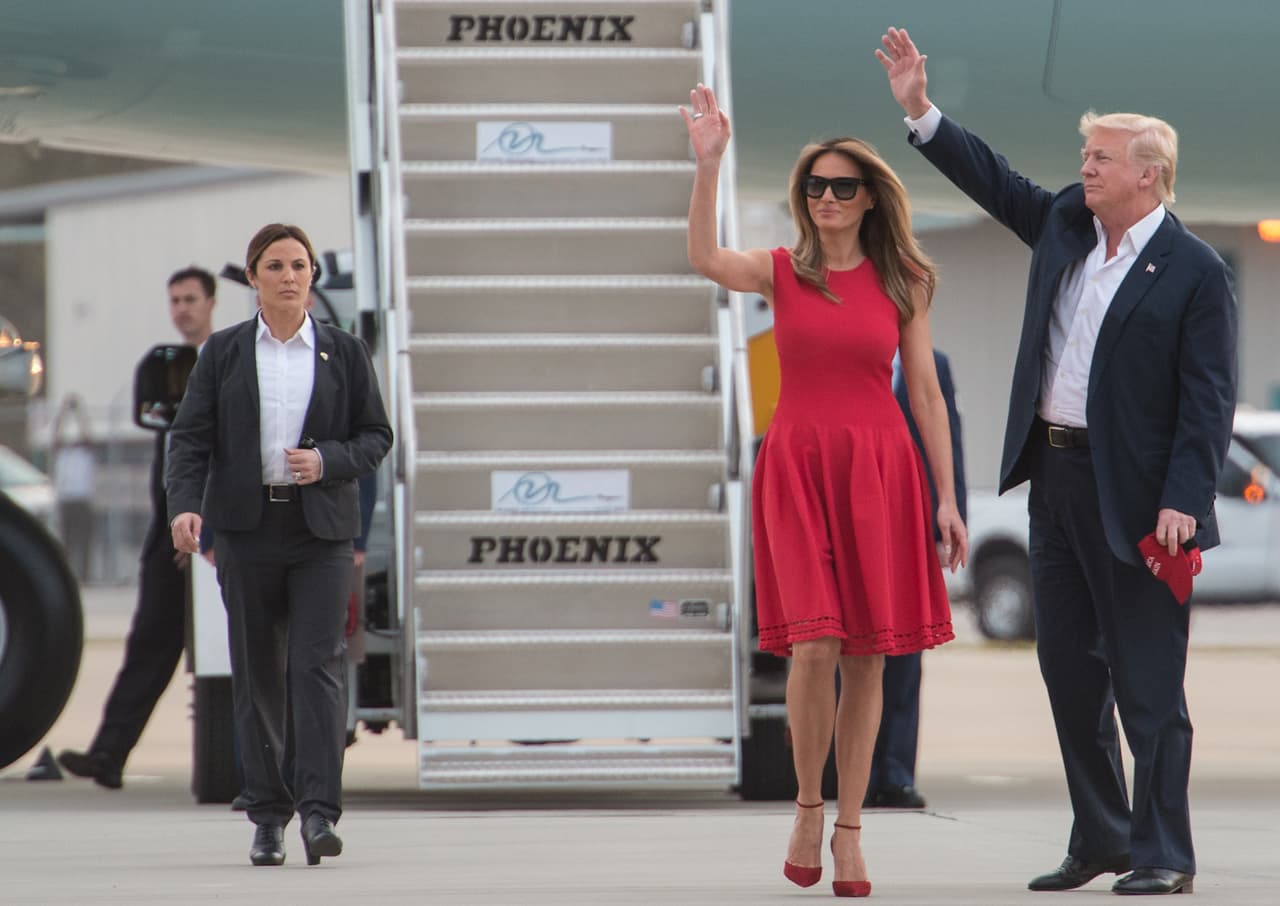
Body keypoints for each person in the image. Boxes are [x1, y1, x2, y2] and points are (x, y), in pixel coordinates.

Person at [878, 27, 1238, 897]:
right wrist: (921, 111)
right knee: (1069, 674)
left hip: (1145, 504)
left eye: (1102, 158)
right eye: (1085, 155)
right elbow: (996, 181)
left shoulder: (1192, 271)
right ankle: (1103, 838)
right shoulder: (1069, 228)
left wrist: (1185, 497)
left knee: (1150, 688)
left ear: (1149, 172)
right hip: (1057, 482)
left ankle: (1165, 853)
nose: (1086, 168)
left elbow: (1208, 398)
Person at [682, 83, 967, 898]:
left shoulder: (906, 277)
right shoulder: (782, 271)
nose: (829, 197)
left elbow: (926, 396)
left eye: (844, 185)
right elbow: (705, 258)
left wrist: (947, 499)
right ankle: (807, 807)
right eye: (816, 186)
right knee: (812, 647)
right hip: (799, 467)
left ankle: (849, 829)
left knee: (869, 658)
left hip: (880, 469)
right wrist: (708, 167)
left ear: (871, 196)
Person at [166, 223, 392, 868]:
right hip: (245, 530)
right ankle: (267, 816)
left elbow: (376, 437)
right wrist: (185, 504)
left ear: (313, 276)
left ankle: (319, 812)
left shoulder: (344, 352)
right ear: (255, 277)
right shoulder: (225, 353)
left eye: (299, 264)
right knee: (258, 673)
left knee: (316, 669)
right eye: (275, 265)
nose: (289, 275)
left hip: (321, 532)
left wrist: (329, 460)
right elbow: (190, 438)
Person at [57, 268, 218, 790]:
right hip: (166, 528)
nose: (182, 309)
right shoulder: (168, 368)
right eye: (174, 300)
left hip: (209, 530)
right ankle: (109, 752)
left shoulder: (227, 361)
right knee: (150, 640)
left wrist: (200, 526)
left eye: (191, 299)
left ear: (211, 302)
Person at [865, 348, 966, 810]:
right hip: (858, 519)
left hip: (911, 524)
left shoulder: (932, 364)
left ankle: (897, 775)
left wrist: (950, 512)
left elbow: (950, 443)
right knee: (853, 653)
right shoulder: (849, 348)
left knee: (906, 656)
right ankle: (856, 773)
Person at [50, 393, 97, 582]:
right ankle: (68, 576)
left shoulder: (85, 454)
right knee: (67, 541)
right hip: (66, 500)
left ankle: (85, 576)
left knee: (84, 541)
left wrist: (79, 413)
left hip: (82, 500)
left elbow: (87, 435)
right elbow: (56, 437)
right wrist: (62, 413)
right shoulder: (62, 455)